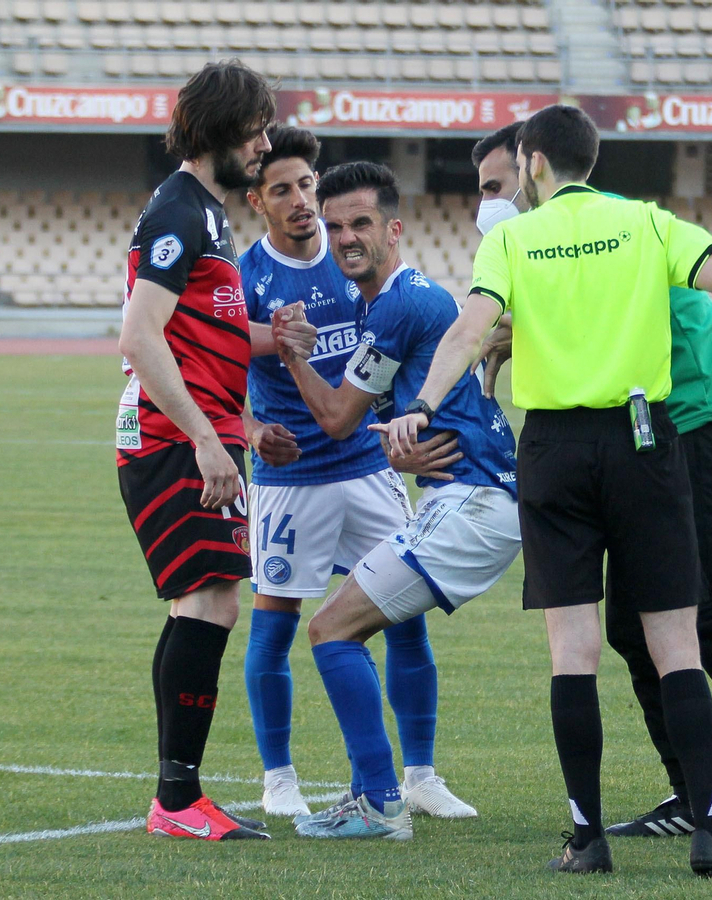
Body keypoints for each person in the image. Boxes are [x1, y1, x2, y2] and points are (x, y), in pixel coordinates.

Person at [374, 104, 712, 877]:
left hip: (555, 447)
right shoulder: (649, 224)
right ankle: (711, 832)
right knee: (675, 640)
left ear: (531, 165)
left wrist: (421, 404)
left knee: (575, 649)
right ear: (592, 159)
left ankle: (586, 838)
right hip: (645, 438)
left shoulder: (515, 240)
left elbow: (469, 328)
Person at [471, 122, 712, 851]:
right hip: (645, 437)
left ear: (533, 168)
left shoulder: (609, 231)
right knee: (632, 627)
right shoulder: (559, 238)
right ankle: (693, 791)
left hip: (701, 423)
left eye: (497, 185)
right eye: (483, 192)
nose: (493, 202)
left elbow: (601, 333)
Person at [265, 161, 520, 841]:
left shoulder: (401, 302)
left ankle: (380, 801)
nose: (346, 237)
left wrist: (293, 357)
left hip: (471, 503)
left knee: (328, 630)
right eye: (336, 224)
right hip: (468, 499)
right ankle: (400, 786)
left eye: (361, 224)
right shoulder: (391, 302)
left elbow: (338, 420)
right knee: (357, 627)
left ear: (394, 230)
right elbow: (409, 413)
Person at [237, 127, 473, 820]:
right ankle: (279, 777)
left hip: (368, 467)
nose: (303, 200)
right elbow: (215, 380)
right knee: (274, 627)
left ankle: (421, 773)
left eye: (308, 183)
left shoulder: (358, 265)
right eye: (283, 188)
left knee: (403, 618)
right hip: (290, 481)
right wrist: (252, 433)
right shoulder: (245, 277)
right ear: (259, 201)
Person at [115, 60, 281, 842]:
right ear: (219, 130)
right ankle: (177, 801)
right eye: (255, 131)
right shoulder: (180, 214)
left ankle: (175, 797)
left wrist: (267, 341)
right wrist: (209, 440)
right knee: (212, 597)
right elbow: (140, 337)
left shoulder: (207, 215)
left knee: (202, 599)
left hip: (197, 435)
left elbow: (197, 330)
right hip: (176, 438)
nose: (264, 144)